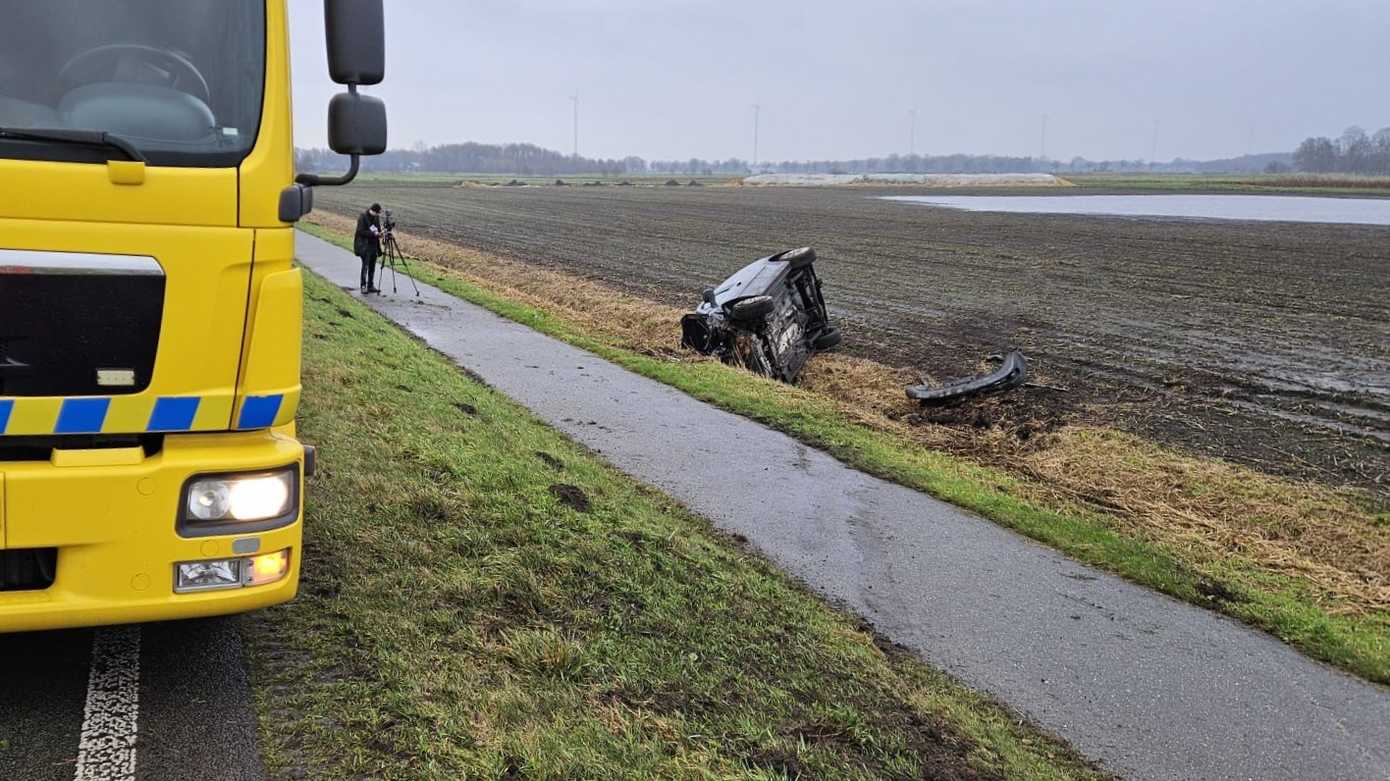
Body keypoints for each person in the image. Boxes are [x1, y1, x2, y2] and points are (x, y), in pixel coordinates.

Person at [354, 203, 383, 294]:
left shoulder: (376, 218)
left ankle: (370, 285)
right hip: (364, 246)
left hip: (374, 245)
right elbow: (360, 231)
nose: (377, 215)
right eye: (377, 213)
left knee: (372, 267)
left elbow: (377, 229)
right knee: (365, 266)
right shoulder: (363, 217)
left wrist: (380, 233)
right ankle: (363, 286)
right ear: (373, 211)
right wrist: (373, 234)